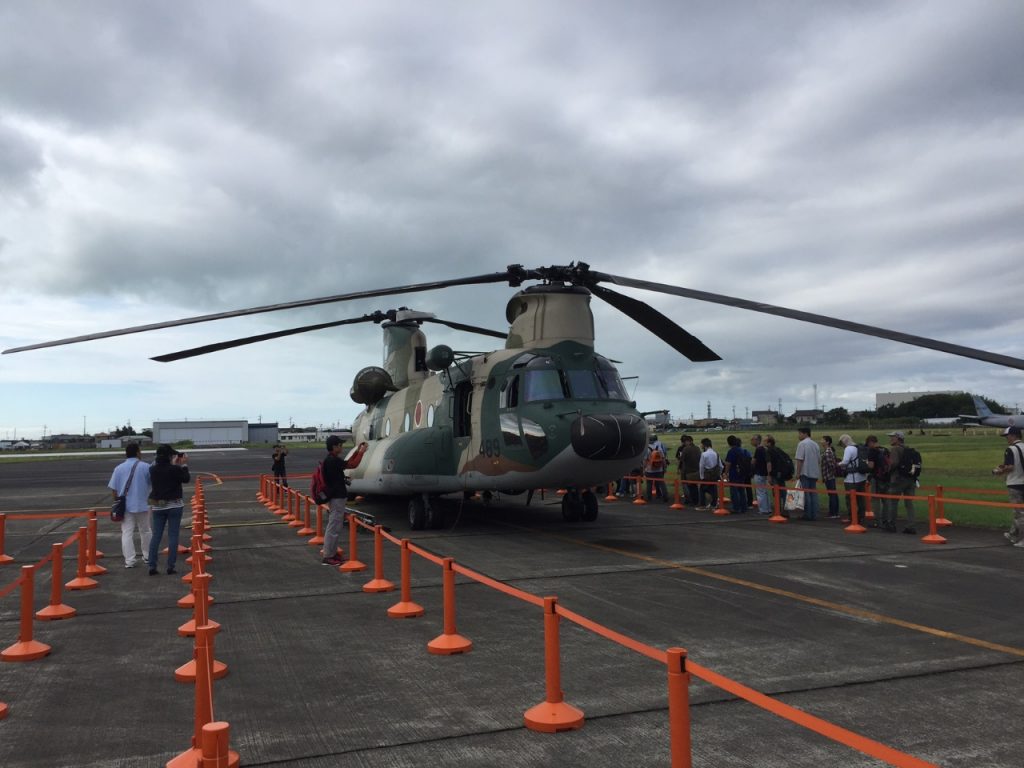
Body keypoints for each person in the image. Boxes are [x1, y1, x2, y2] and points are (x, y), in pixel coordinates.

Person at [147, 444, 191, 575]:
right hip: (174, 505)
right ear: (169, 456)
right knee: (173, 535)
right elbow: (186, 479)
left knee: (156, 536)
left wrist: (171, 461)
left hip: (158, 505)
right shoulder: (174, 469)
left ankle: (152, 566)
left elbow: (157, 465)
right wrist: (183, 464)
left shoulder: (152, 469)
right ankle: (170, 566)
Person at [107, 441, 152, 568]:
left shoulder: (118, 468)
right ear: (138, 452)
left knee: (127, 533)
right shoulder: (146, 467)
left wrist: (117, 502)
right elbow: (151, 484)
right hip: (143, 504)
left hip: (125, 506)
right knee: (146, 531)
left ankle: (130, 560)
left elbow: (114, 489)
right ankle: (148, 556)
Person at [991, 426, 1024, 548]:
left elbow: (1010, 466)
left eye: (1007, 436)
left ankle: (1022, 538)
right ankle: (1013, 534)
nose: (1007, 439)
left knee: (1019, 513)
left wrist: (999, 471)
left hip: (1015, 483)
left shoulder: (1010, 449)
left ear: (1013, 436)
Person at [885, 430, 918, 534]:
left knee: (893, 502)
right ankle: (911, 525)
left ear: (898, 438)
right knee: (909, 504)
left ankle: (891, 524)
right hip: (910, 479)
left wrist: (887, 471)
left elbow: (893, 463)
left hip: (898, 479)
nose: (891, 439)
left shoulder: (895, 449)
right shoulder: (908, 449)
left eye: (892, 437)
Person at [837, 434, 866, 524]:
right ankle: (861, 517)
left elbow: (845, 462)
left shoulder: (848, 449)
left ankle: (852, 518)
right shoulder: (858, 447)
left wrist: (838, 464)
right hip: (862, 477)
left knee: (850, 500)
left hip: (851, 479)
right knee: (861, 499)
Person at [794, 427, 821, 521]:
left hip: (805, 472)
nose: (799, 435)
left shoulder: (802, 444)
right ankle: (814, 514)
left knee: (806, 494)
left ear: (805, 434)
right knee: (813, 493)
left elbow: (800, 459)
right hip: (814, 472)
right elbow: (818, 460)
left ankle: (808, 514)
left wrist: (798, 473)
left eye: (800, 433)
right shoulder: (815, 444)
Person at [864, 435, 890, 528]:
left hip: (876, 478)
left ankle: (877, 521)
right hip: (886, 478)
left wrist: (866, 463)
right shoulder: (885, 450)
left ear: (870, 442)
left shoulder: (872, 451)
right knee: (885, 500)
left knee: (875, 500)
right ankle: (886, 520)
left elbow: (871, 466)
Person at [723, 435, 749, 514]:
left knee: (734, 491)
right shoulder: (742, 450)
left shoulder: (731, 451)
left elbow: (728, 463)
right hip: (742, 472)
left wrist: (725, 473)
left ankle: (736, 508)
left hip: (734, 472)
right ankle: (744, 507)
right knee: (741, 490)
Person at [697, 438, 722, 510]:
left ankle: (702, 505)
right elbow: (721, 466)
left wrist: (701, 476)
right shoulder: (716, 454)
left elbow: (701, 466)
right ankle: (714, 504)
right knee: (713, 489)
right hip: (715, 475)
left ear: (704, 445)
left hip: (706, 475)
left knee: (702, 490)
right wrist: (719, 474)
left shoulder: (704, 454)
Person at [678, 435, 702, 506]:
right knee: (695, 486)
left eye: (686, 441)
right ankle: (696, 500)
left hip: (688, 471)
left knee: (690, 487)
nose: (685, 443)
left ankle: (692, 501)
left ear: (689, 441)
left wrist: (679, 468)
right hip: (697, 470)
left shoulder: (686, 449)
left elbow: (682, 460)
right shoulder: (697, 448)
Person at [750, 434, 772, 515]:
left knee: (760, 492)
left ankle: (763, 509)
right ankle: (768, 508)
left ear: (757, 440)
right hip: (764, 473)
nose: (752, 441)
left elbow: (753, 461)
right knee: (765, 491)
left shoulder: (758, 449)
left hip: (759, 473)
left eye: (753, 439)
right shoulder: (765, 449)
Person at [820, 435, 840, 519]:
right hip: (830, 476)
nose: (821, 441)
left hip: (829, 476)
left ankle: (833, 513)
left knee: (832, 494)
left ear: (827, 442)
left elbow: (831, 464)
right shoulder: (829, 450)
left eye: (823, 440)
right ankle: (834, 512)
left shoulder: (827, 451)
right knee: (833, 494)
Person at [645, 435, 668, 503]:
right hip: (659, 469)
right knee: (662, 483)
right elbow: (663, 459)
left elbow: (645, 460)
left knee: (649, 484)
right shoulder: (659, 448)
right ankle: (665, 496)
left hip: (649, 470)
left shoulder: (647, 448)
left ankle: (649, 497)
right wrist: (664, 467)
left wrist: (643, 469)